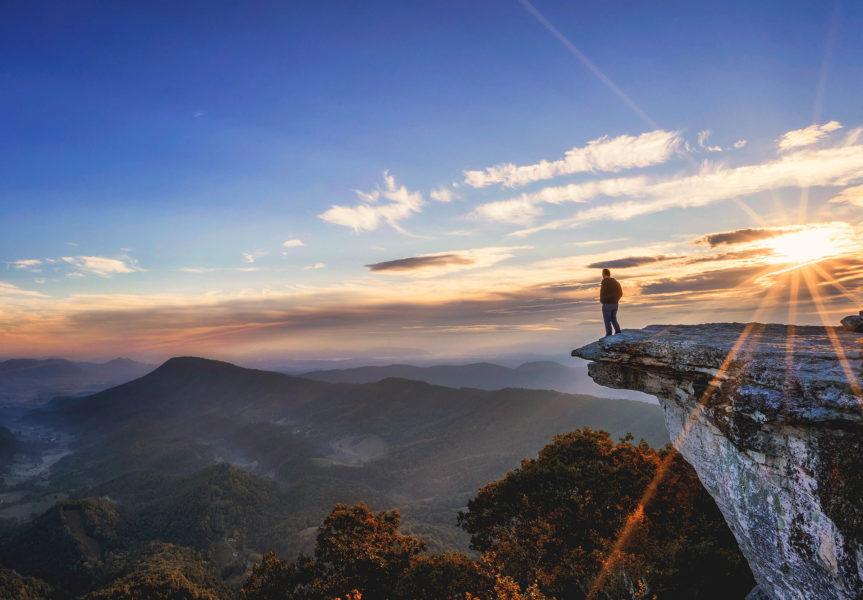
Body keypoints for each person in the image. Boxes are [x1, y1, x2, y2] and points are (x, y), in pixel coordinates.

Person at [599, 268, 622, 337]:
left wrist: (603, 301)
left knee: (607, 321)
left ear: (603, 274)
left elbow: (602, 293)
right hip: (615, 304)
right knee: (613, 319)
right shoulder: (616, 282)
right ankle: (618, 331)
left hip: (607, 304)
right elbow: (620, 293)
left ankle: (609, 335)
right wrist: (616, 300)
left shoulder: (604, 283)